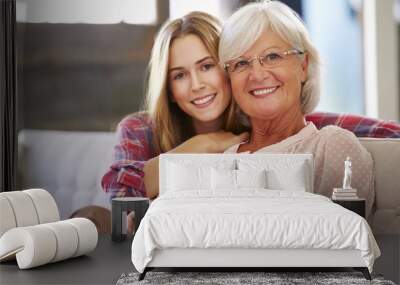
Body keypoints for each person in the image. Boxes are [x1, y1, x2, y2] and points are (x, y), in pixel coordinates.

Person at [219, 1, 375, 217]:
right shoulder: (224, 158)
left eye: (272, 56)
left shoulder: (330, 147)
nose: (257, 74)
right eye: (241, 64)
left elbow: (343, 244)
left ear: (303, 66)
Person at [101, 11, 248, 202]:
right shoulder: (139, 128)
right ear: (169, 90)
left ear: (229, 68)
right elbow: (121, 200)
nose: (196, 85)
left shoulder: (255, 124)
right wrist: (201, 145)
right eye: (179, 75)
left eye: (206, 66)